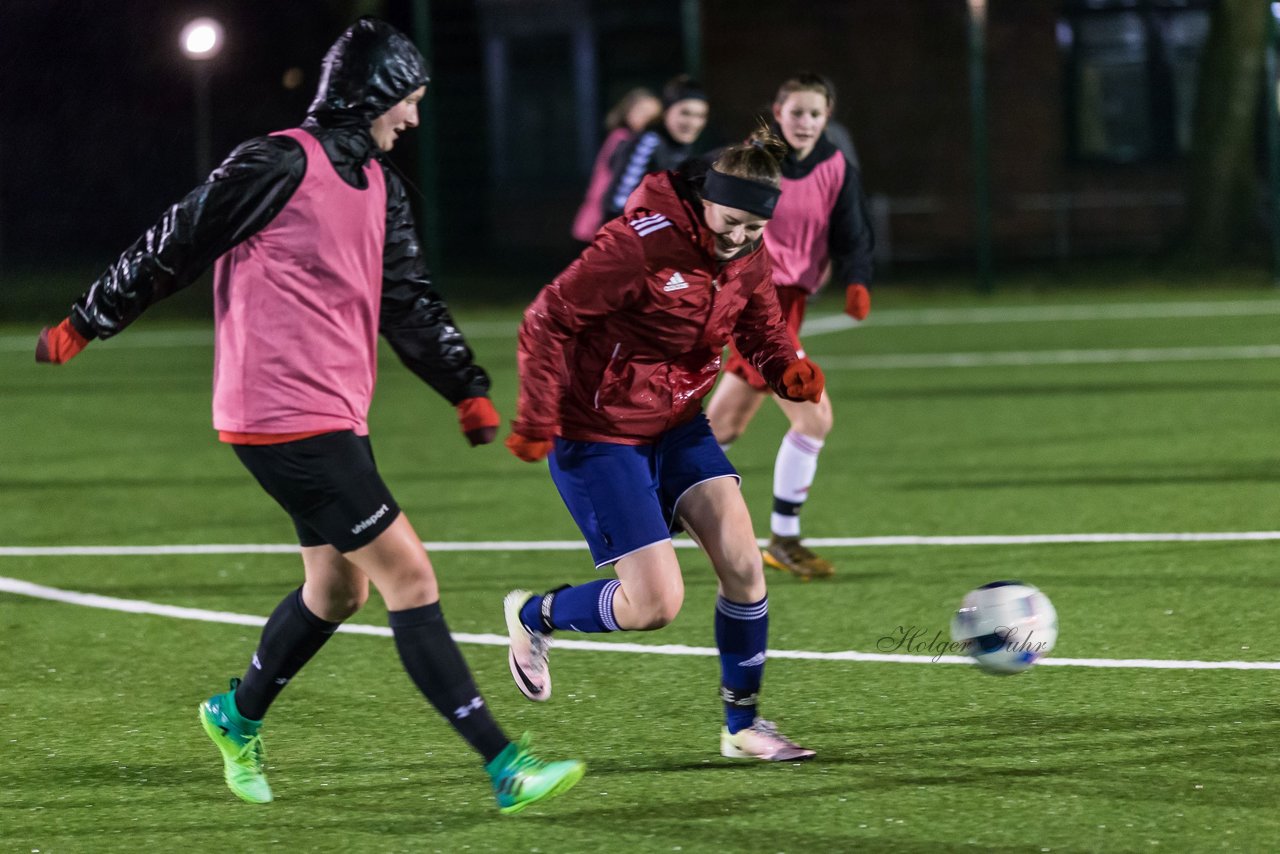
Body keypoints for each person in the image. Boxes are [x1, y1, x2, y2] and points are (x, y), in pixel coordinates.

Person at [34, 17, 583, 814]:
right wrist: (88, 321)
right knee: (409, 574)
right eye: (411, 102)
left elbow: (408, 298)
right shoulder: (280, 160)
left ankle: (235, 715)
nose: (416, 119)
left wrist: (462, 384)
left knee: (335, 593)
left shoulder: (382, 188)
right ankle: (505, 764)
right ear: (377, 94)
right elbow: (176, 240)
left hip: (332, 412)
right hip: (280, 415)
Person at [501, 130, 823, 762]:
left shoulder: (749, 252)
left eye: (754, 229)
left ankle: (742, 726)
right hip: (601, 433)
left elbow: (759, 325)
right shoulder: (637, 246)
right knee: (654, 605)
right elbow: (547, 317)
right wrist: (536, 415)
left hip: (679, 424)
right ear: (708, 198)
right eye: (731, 222)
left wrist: (785, 366)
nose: (739, 238)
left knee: (744, 568)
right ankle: (535, 615)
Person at [705, 72, 875, 581]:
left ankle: (658, 510)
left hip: (791, 300)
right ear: (777, 112)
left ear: (828, 118)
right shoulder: (754, 164)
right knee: (814, 418)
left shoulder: (835, 165)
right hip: (755, 302)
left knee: (724, 425)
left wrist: (857, 278)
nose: (805, 122)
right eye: (796, 112)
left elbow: (852, 227)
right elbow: (715, 214)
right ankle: (783, 536)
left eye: (815, 114)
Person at [600, 74, 709, 222]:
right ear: (666, 112)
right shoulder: (648, 142)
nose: (693, 122)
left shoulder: (683, 148)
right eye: (685, 113)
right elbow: (617, 204)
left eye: (700, 115)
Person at [571, 87, 662, 243]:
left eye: (652, 115)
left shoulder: (632, 140)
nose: (646, 118)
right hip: (600, 220)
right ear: (628, 111)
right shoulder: (623, 140)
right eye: (642, 112)